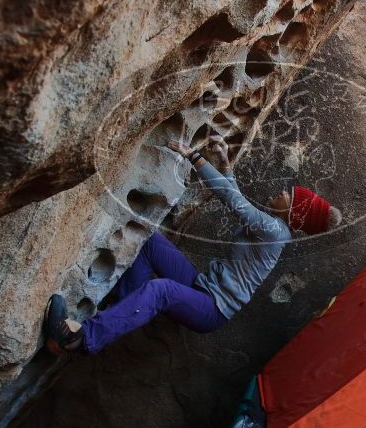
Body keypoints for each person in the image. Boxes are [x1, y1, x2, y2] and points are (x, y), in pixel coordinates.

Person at [44, 135, 342, 355]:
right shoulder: (272, 228)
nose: (280, 191)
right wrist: (224, 162)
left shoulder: (274, 231)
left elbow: (232, 200)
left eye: (288, 195)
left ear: (295, 214)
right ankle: (113, 315)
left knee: (160, 290)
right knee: (149, 243)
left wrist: (193, 155)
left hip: (212, 309)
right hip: (203, 287)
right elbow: (234, 196)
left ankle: (79, 338)